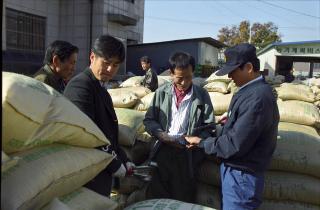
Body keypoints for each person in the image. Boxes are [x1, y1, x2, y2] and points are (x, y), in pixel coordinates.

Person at [185, 43, 280, 210]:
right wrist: (231, 119)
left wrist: (201, 142)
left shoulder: (257, 99)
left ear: (249, 67)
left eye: (233, 71)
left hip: (242, 175)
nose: (229, 76)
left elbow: (234, 145)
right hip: (238, 173)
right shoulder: (251, 91)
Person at [64, 35, 134, 196]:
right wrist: (114, 164)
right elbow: (87, 132)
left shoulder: (101, 89)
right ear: (92, 57)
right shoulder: (80, 85)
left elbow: (109, 134)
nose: (110, 69)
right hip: (87, 174)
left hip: (101, 172)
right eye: (106, 63)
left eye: (115, 65)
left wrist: (125, 159)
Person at [143, 52, 215, 202]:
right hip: (162, 150)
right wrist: (161, 134)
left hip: (187, 155)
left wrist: (197, 140)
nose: (184, 83)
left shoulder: (201, 95)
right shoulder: (161, 93)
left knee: (182, 195)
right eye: (180, 78)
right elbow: (149, 120)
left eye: (188, 77)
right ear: (171, 74)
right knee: (157, 194)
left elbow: (209, 127)